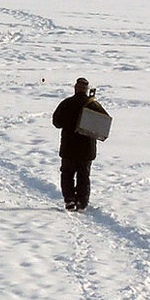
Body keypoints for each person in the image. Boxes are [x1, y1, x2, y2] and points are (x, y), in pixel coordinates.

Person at [52, 77, 108, 211]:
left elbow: (56, 123)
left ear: (75, 89)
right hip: (87, 149)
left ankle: (70, 200)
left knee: (67, 175)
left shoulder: (66, 103)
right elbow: (104, 124)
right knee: (84, 176)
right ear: (87, 90)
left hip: (68, 147)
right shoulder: (93, 105)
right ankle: (82, 203)